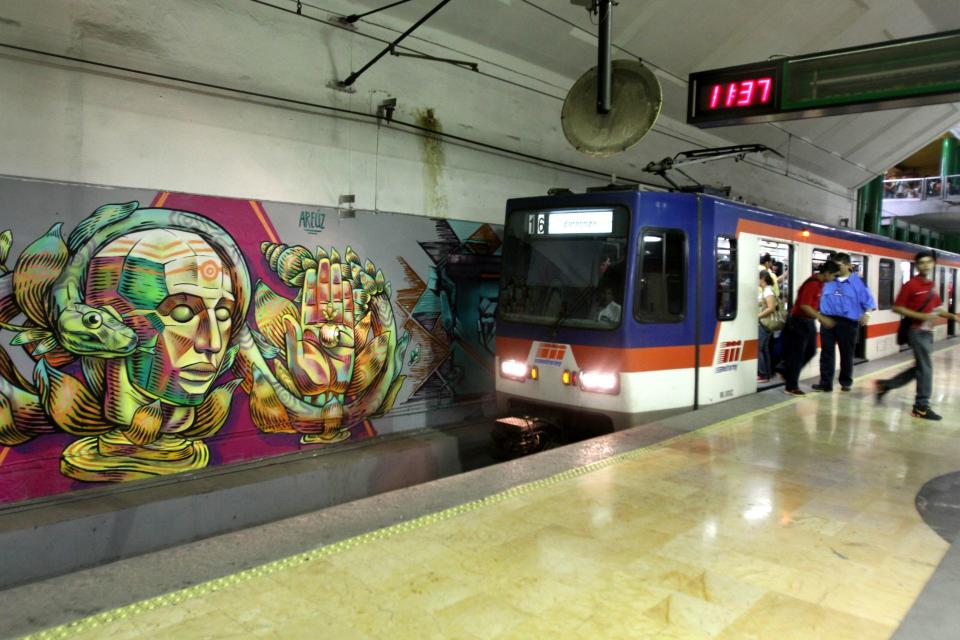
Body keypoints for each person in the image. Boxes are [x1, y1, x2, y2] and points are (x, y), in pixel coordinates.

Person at [876, 251, 960, 420]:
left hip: (928, 332)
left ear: (933, 264)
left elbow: (935, 309)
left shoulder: (930, 285)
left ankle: (885, 385)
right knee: (926, 368)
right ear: (917, 265)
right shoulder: (911, 285)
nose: (926, 265)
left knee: (921, 368)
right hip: (916, 331)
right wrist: (920, 316)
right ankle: (921, 406)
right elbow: (897, 307)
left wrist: (953, 317)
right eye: (922, 262)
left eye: (928, 262)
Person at [813, 253, 876, 392]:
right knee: (826, 353)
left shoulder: (858, 283)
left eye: (839, 266)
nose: (836, 269)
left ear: (849, 265)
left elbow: (869, 302)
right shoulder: (827, 280)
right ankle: (825, 383)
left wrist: (867, 314)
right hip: (828, 321)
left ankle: (845, 381)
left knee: (846, 353)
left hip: (848, 324)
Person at [782, 261, 840, 396]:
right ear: (826, 273)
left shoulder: (820, 284)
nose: (834, 279)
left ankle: (786, 370)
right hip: (799, 323)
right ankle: (791, 386)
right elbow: (804, 306)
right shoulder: (812, 284)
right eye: (833, 276)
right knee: (797, 355)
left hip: (808, 322)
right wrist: (822, 318)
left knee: (810, 351)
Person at [757, 270, 777, 382]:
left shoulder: (768, 291)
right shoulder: (765, 290)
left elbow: (771, 308)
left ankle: (763, 374)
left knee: (759, 348)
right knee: (764, 349)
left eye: (758, 278)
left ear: (763, 278)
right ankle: (767, 373)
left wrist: (758, 316)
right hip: (764, 323)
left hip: (765, 323)